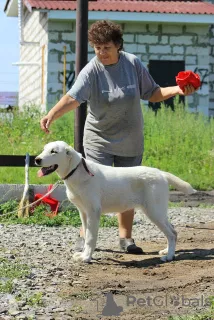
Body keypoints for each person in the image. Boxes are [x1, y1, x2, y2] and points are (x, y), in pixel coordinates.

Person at [40, 20, 196, 254]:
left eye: (107, 48)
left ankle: (126, 240)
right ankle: (86, 241)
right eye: (97, 48)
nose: (102, 53)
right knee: (88, 190)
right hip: (98, 139)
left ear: (118, 46)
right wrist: (52, 114)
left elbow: (152, 93)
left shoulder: (133, 64)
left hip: (130, 138)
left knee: (129, 189)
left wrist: (177, 89)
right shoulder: (91, 70)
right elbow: (74, 97)